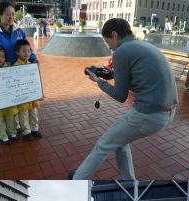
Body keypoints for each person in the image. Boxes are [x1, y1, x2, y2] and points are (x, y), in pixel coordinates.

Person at [73, 18, 178, 179]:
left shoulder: (121, 52)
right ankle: (128, 181)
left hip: (149, 115)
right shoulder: (146, 45)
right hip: (168, 112)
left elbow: (120, 96)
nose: (108, 46)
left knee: (103, 144)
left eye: (107, 41)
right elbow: (141, 79)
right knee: (120, 141)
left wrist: (98, 81)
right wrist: (115, 75)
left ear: (114, 35)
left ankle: (78, 178)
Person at [13, 39, 42, 140]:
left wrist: (40, 93)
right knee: (23, 115)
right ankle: (26, 132)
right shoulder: (15, 67)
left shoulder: (31, 64)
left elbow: (36, 80)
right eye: (24, 51)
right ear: (17, 52)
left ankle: (34, 129)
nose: (27, 53)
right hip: (23, 97)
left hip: (32, 96)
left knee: (34, 113)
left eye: (29, 50)